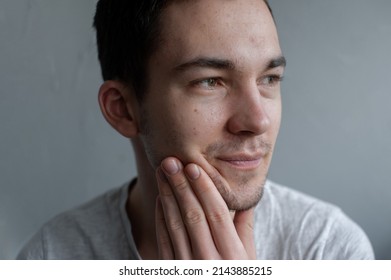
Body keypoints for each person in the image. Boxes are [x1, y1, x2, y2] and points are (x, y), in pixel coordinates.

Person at [18, 0, 374, 260]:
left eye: (269, 79)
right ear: (124, 109)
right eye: (210, 82)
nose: (257, 121)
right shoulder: (52, 257)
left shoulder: (330, 249)